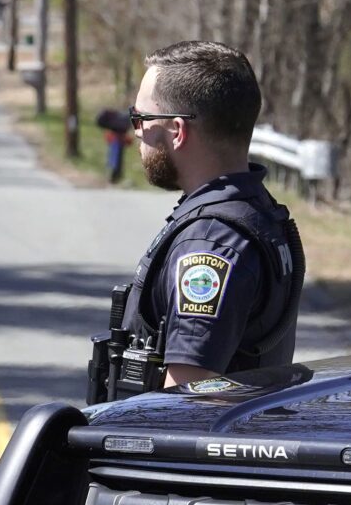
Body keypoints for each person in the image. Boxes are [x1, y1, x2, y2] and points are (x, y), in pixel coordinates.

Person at [119, 40, 305, 388]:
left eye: (141, 118)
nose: (138, 132)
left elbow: (189, 397)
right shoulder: (254, 211)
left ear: (177, 131)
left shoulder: (211, 243)